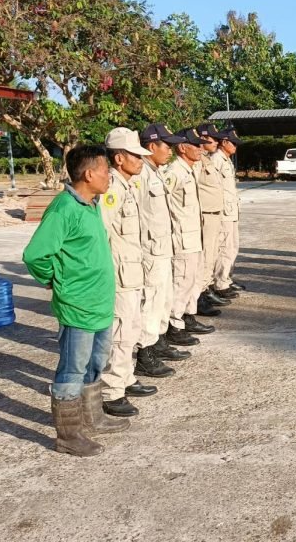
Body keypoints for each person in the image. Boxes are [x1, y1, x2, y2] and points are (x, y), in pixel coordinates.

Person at [23, 145, 128, 457]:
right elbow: (35, 255)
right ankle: (68, 435)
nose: (109, 176)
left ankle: (93, 417)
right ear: (89, 174)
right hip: (78, 306)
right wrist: (55, 280)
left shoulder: (91, 204)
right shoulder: (64, 208)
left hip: (99, 303)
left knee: (96, 363)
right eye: (105, 171)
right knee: (72, 370)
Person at [98, 128, 166, 419]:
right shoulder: (112, 189)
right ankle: (111, 391)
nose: (140, 160)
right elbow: (101, 234)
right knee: (120, 334)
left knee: (131, 328)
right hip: (119, 274)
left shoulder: (127, 185)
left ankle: (125, 378)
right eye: (135, 156)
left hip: (133, 271)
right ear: (118, 158)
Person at [138, 123, 198, 354]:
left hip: (165, 245)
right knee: (151, 300)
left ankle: (159, 340)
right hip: (151, 248)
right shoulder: (141, 175)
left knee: (163, 298)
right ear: (152, 146)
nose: (170, 151)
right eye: (166, 146)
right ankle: (146, 350)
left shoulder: (155, 173)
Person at [166, 128, 216, 342]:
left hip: (194, 236)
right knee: (181, 282)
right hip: (182, 238)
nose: (200, 148)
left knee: (193, 280)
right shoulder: (174, 172)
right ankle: (174, 325)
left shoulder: (188, 170)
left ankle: (187, 316)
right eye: (195, 145)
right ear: (182, 148)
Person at [194, 123, 232, 310]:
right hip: (205, 215)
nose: (217, 142)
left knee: (212, 254)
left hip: (215, 213)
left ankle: (206, 289)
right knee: (206, 255)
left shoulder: (207, 159)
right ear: (202, 138)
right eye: (213, 138)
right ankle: (200, 295)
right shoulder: (197, 161)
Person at [212, 128, 247, 297]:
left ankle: (227, 278)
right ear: (224, 142)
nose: (235, 146)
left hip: (231, 211)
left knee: (233, 247)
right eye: (233, 143)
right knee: (225, 247)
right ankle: (220, 283)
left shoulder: (226, 160)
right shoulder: (216, 160)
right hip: (224, 212)